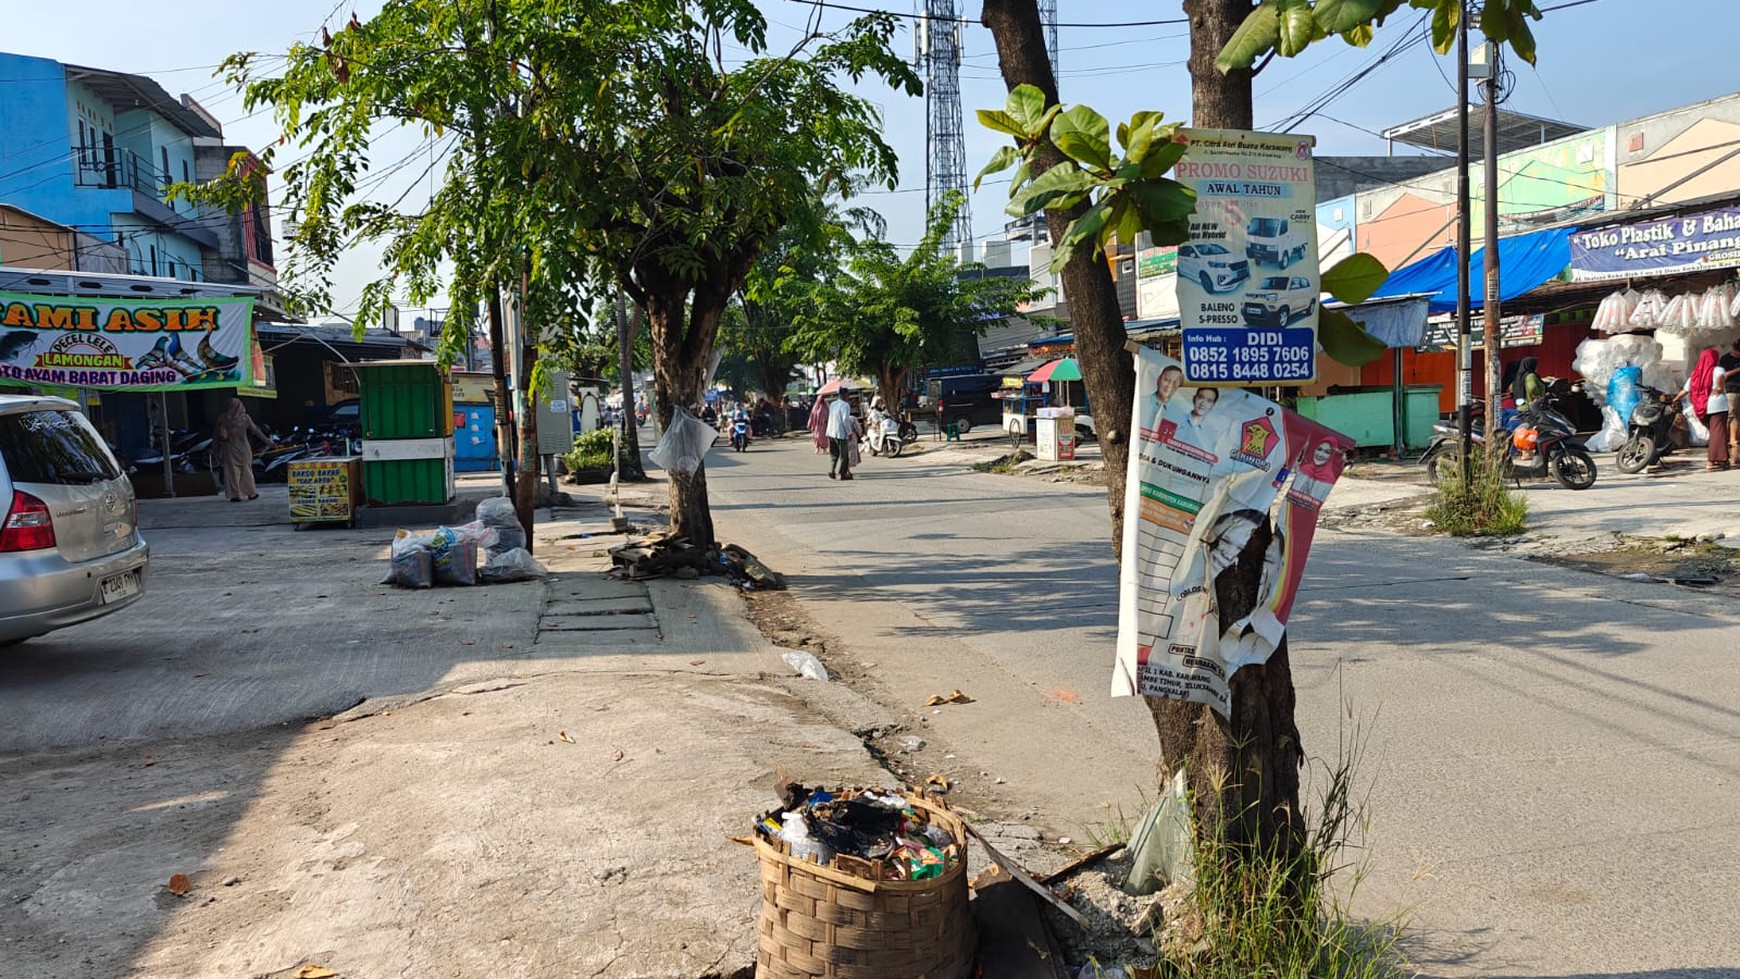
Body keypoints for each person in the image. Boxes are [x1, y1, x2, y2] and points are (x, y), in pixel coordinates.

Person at [1680, 346, 1728, 472]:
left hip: (1702, 406)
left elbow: (1686, 390)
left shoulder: (1696, 372)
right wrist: (1719, 388)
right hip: (1717, 405)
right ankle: (1713, 460)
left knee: (1715, 433)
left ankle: (1718, 459)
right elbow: (1721, 377)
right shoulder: (1717, 369)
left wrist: (1674, 399)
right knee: (1718, 433)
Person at [214, 398, 267, 502]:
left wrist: (215, 449)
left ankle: (235, 495)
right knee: (247, 470)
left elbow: (216, 434)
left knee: (232, 472)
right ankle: (251, 493)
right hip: (244, 448)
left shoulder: (223, 417)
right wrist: (267, 440)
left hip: (229, 448)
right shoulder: (245, 417)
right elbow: (255, 430)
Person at [1139, 365, 1184, 438]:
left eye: (1175, 383)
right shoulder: (1140, 402)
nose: (1170, 385)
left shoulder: (1178, 416)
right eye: (1167, 380)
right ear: (1159, 379)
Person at [825, 389, 860, 479]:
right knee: (843, 455)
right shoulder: (845, 405)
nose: (848, 397)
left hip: (831, 432)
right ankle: (842, 473)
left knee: (834, 453)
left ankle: (832, 470)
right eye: (848, 395)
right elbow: (845, 419)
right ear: (844, 395)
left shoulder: (833, 404)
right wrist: (849, 432)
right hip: (841, 433)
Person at [1719, 339, 1740, 460]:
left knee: (1738, 415)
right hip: (1732, 389)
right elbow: (1723, 375)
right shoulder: (1725, 359)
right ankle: (1729, 439)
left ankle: (1735, 438)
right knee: (1731, 415)